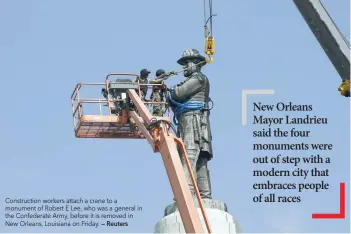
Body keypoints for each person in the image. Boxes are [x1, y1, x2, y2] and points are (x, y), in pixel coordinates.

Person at [167, 49, 212, 199]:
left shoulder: (198, 79)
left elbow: (178, 94)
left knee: (189, 154)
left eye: (187, 63)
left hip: (193, 121)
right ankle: (204, 195)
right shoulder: (194, 79)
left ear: (196, 64)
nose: (184, 67)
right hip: (189, 120)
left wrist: (171, 91)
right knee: (197, 158)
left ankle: (187, 192)